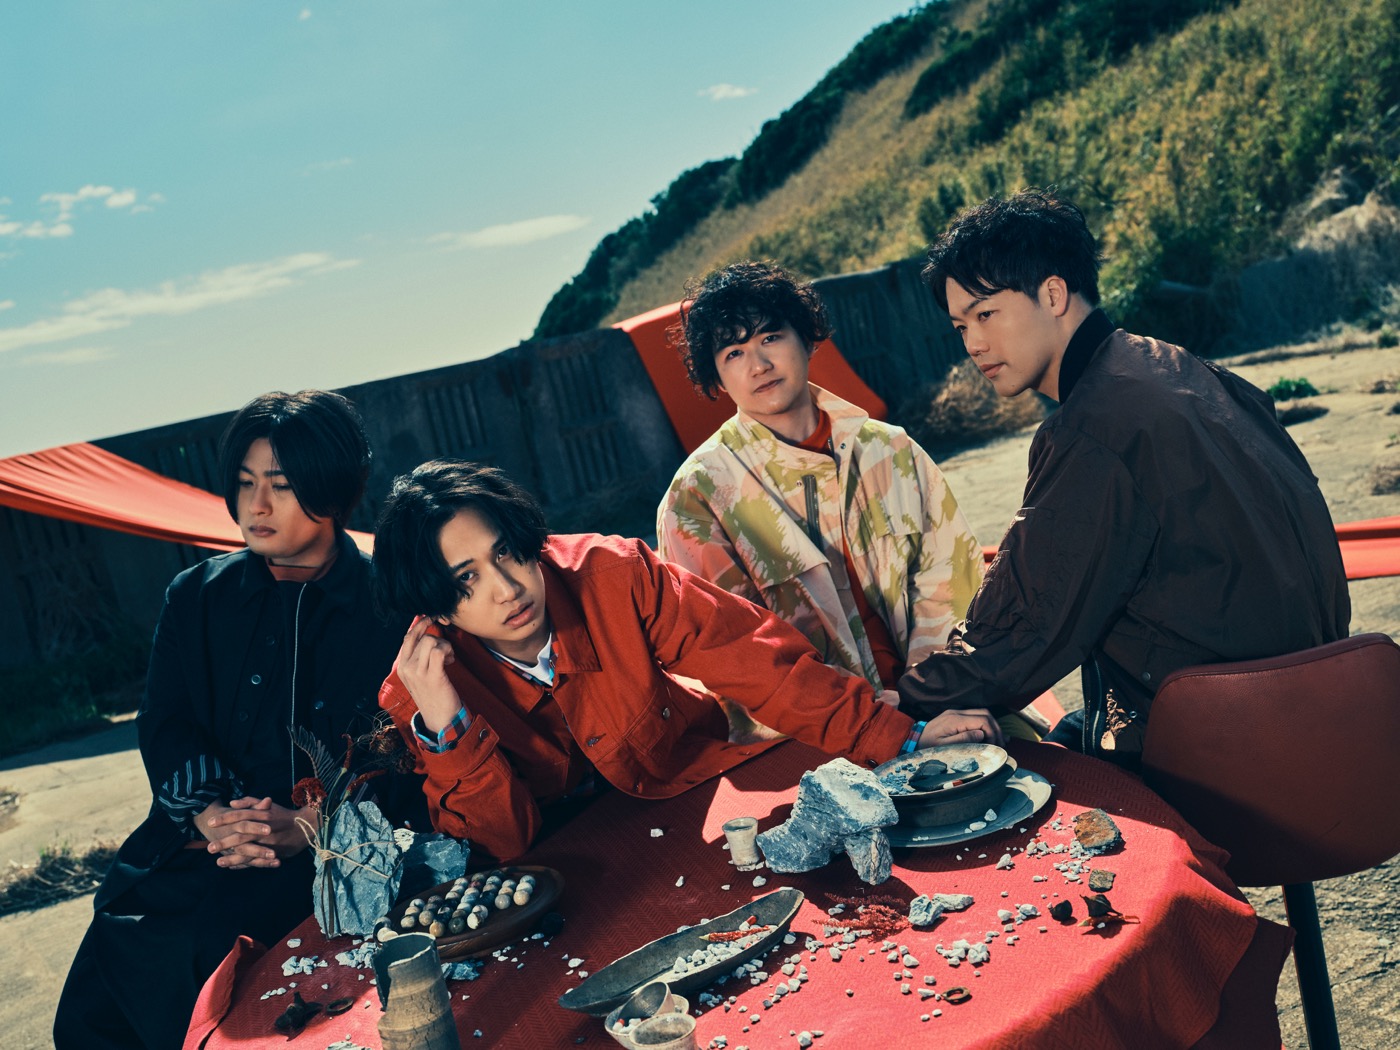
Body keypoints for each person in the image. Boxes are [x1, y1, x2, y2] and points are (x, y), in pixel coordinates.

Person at [898, 189, 1351, 762]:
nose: (974, 344)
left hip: (1222, 737)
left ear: (1053, 294)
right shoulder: (1182, 369)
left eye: (985, 314)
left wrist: (899, 705)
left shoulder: (1095, 428)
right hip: (1322, 697)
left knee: (987, 767)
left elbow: (1025, 629)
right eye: (960, 326)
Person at [371, 459, 1001, 862]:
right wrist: (446, 726)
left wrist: (900, 737)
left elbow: (756, 659)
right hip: (562, 868)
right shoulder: (420, 689)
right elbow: (493, 849)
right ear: (433, 608)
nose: (507, 588)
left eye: (508, 553)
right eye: (466, 579)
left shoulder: (613, 574)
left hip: (686, 792)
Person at [55, 391, 423, 1050]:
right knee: (95, 1011)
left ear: (335, 489)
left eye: (280, 486)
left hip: (320, 869)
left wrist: (310, 826)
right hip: (196, 846)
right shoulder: (197, 596)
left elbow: (403, 760)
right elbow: (165, 723)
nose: (256, 506)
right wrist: (209, 814)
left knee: (244, 1009)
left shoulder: (390, 610)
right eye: (245, 483)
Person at [654, 261, 1041, 742]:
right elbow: (742, 661)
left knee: (1047, 765)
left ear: (807, 339)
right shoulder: (697, 499)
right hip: (806, 740)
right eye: (734, 352)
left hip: (943, 699)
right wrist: (884, 727)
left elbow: (951, 582)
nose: (759, 365)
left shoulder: (889, 450)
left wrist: (924, 699)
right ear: (716, 376)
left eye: (771, 337)